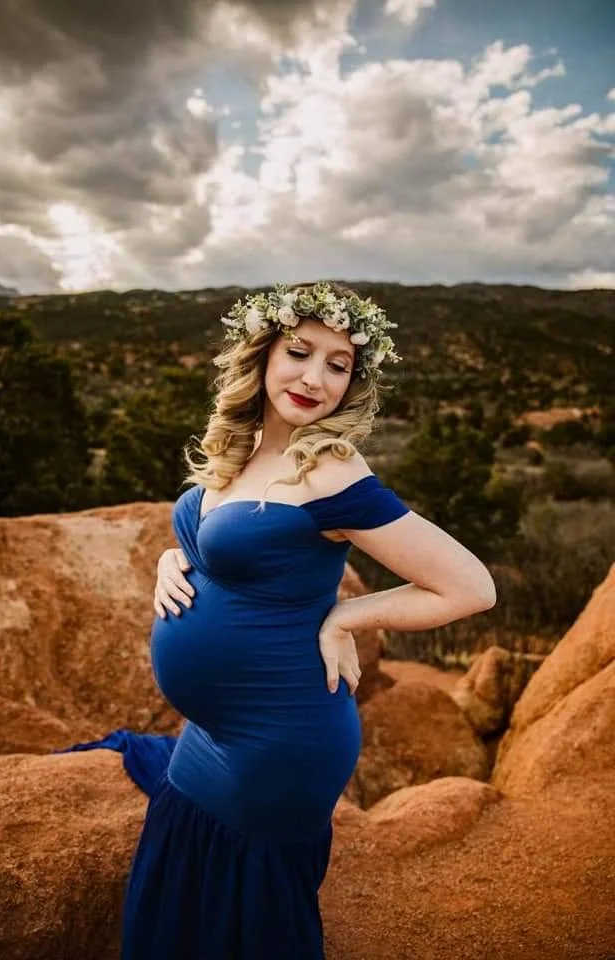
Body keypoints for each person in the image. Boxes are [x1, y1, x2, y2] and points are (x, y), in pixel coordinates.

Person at [80, 281, 497, 960]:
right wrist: (172, 557)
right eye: (300, 352)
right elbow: (227, 540)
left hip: (280, 742)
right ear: (263, 353)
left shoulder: (331, 470)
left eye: (339, 365)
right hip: (210, 734)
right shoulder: (242, 448)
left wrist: (347, 615)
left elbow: (470, 586)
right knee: (183, 885)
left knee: (247, 920)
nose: (315, 378)